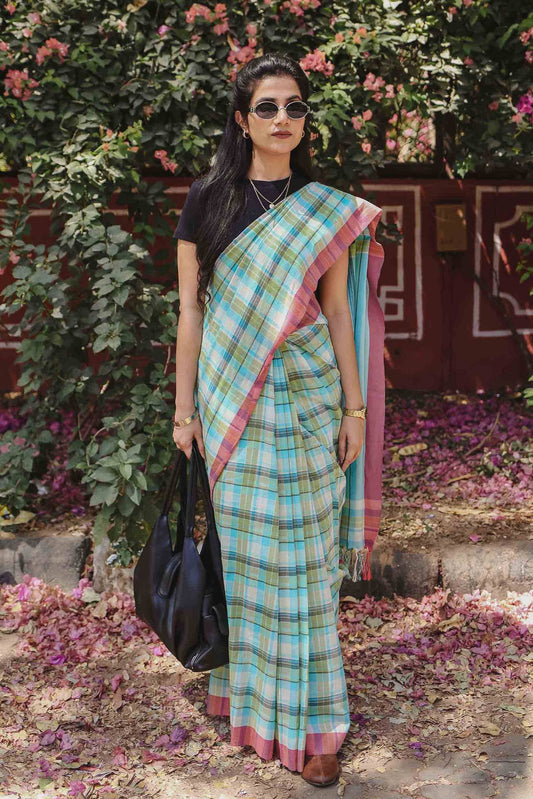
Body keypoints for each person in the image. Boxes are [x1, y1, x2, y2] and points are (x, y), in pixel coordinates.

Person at [172, 52, 385, 787]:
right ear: (241, 119)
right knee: (252, 566)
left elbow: (334, 312)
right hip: (233, 402)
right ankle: (242, 699)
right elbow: (191, 311)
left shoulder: (320, 206)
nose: (283, 119)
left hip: (305, 400)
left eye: (294, 106)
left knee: (304, 570)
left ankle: (317, 724)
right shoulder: (207, 200)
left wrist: (354, 408)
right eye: (267, 107)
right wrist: (183, 411)